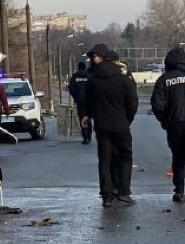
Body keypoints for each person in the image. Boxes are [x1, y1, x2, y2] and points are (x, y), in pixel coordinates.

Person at [82, 43, 139, 206]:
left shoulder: (93, 81)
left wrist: (88, 116)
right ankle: (124, 192)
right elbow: (133, 103)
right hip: (121, 125)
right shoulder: (123, 80)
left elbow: (88, 103)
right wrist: (127, 119)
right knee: (125, 157)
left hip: (102, 126)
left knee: (105, 160)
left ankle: (107, 195)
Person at [150, 47, 185, 203]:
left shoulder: (163, 80)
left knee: (178, 157)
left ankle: (179, 190)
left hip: (175, 124)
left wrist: (165, 120)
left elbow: (157, 105)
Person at [68, 61, 91, 144]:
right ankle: (89, 136)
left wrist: (75, 97)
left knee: (82, 118)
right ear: (84, 67)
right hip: (89, 101)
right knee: (88, 118)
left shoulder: (75, 76)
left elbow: (70, 87)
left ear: (78, 67)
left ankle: (85, 137)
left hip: (80, 101)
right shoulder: (89, 76)